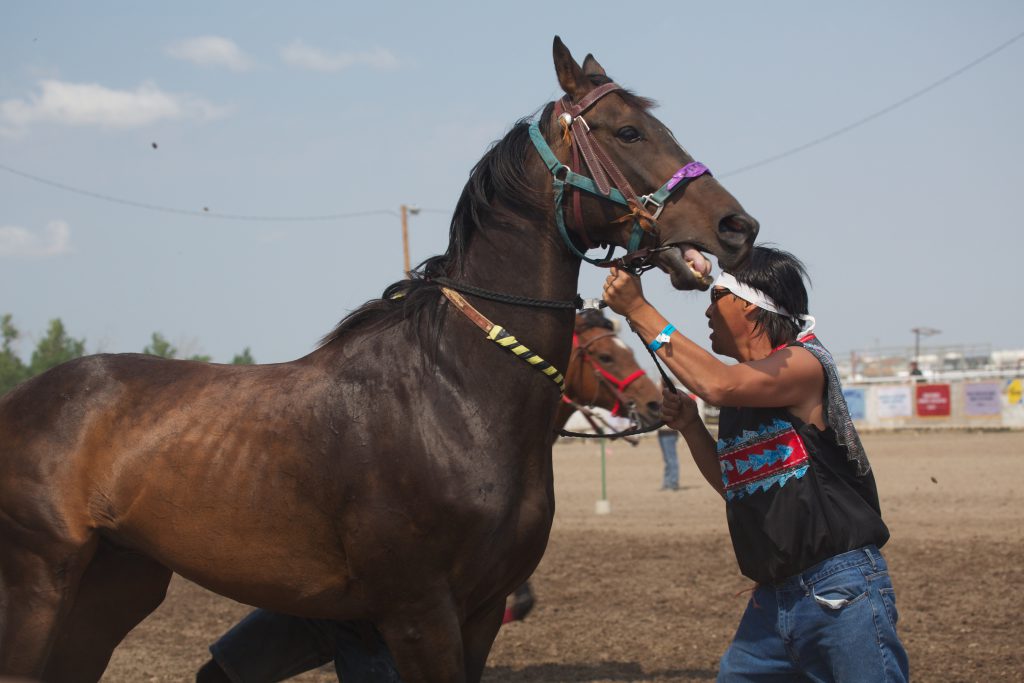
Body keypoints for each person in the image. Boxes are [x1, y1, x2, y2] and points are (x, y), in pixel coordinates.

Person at [603, 246, 909, 682]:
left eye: (716, 298)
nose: (707, 311)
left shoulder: (803, 362)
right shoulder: (743, 391)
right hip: (774, 600)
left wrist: (638, 308)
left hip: (839, 590)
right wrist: (691, 427)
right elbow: (736, 486)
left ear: (748, 304)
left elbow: (715, 383)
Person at [657, 380, 681, 491]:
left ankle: (673, 482)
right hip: (663, 432)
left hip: (669, 432)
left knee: (671, 458)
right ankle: (668, 481)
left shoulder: (669, 399)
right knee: (667, 458)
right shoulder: (661, 399)